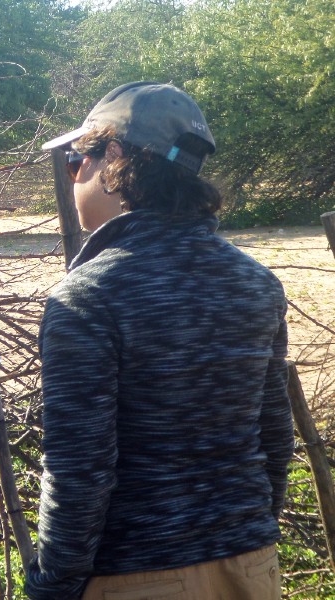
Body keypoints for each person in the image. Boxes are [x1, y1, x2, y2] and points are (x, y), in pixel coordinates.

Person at [25, 82, 293, 599]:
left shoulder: (86, 296)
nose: (73, 174)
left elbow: (80, 469)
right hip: (251, 567)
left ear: (114, 156)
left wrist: (52, 585)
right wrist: (248, 536)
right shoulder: (257, 283)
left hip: (134, 576)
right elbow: (275, 440)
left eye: (77, 159)